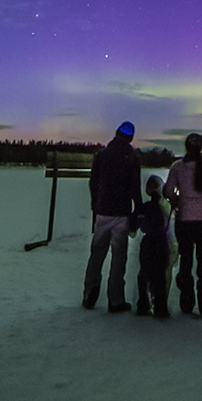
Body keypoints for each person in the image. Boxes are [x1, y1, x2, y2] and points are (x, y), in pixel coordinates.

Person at [83, 122, 142, 313]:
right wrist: (138, 211)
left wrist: (96, 204)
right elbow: (135, 188)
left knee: (97, 254)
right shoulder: (131, 158)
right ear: (130, 138)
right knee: (119, 257)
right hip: (121, 213)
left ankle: (89, 295)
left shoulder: (102, 156)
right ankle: (115, 300)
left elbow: (93, 182)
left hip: (102, 211)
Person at [162, 132, 202, 316]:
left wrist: (178, 201)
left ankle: (186, 302)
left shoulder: (177, 168)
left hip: (184, 221)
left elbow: (169, 191)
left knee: (185, 261)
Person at [133, 174, 172, 318]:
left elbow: (133, 225)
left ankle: (143, 304)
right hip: (160, 241)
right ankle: (160, 306)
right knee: (160, 274)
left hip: (148, 242)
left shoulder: (144, 208)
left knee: (144, 273)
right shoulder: (165, 208)